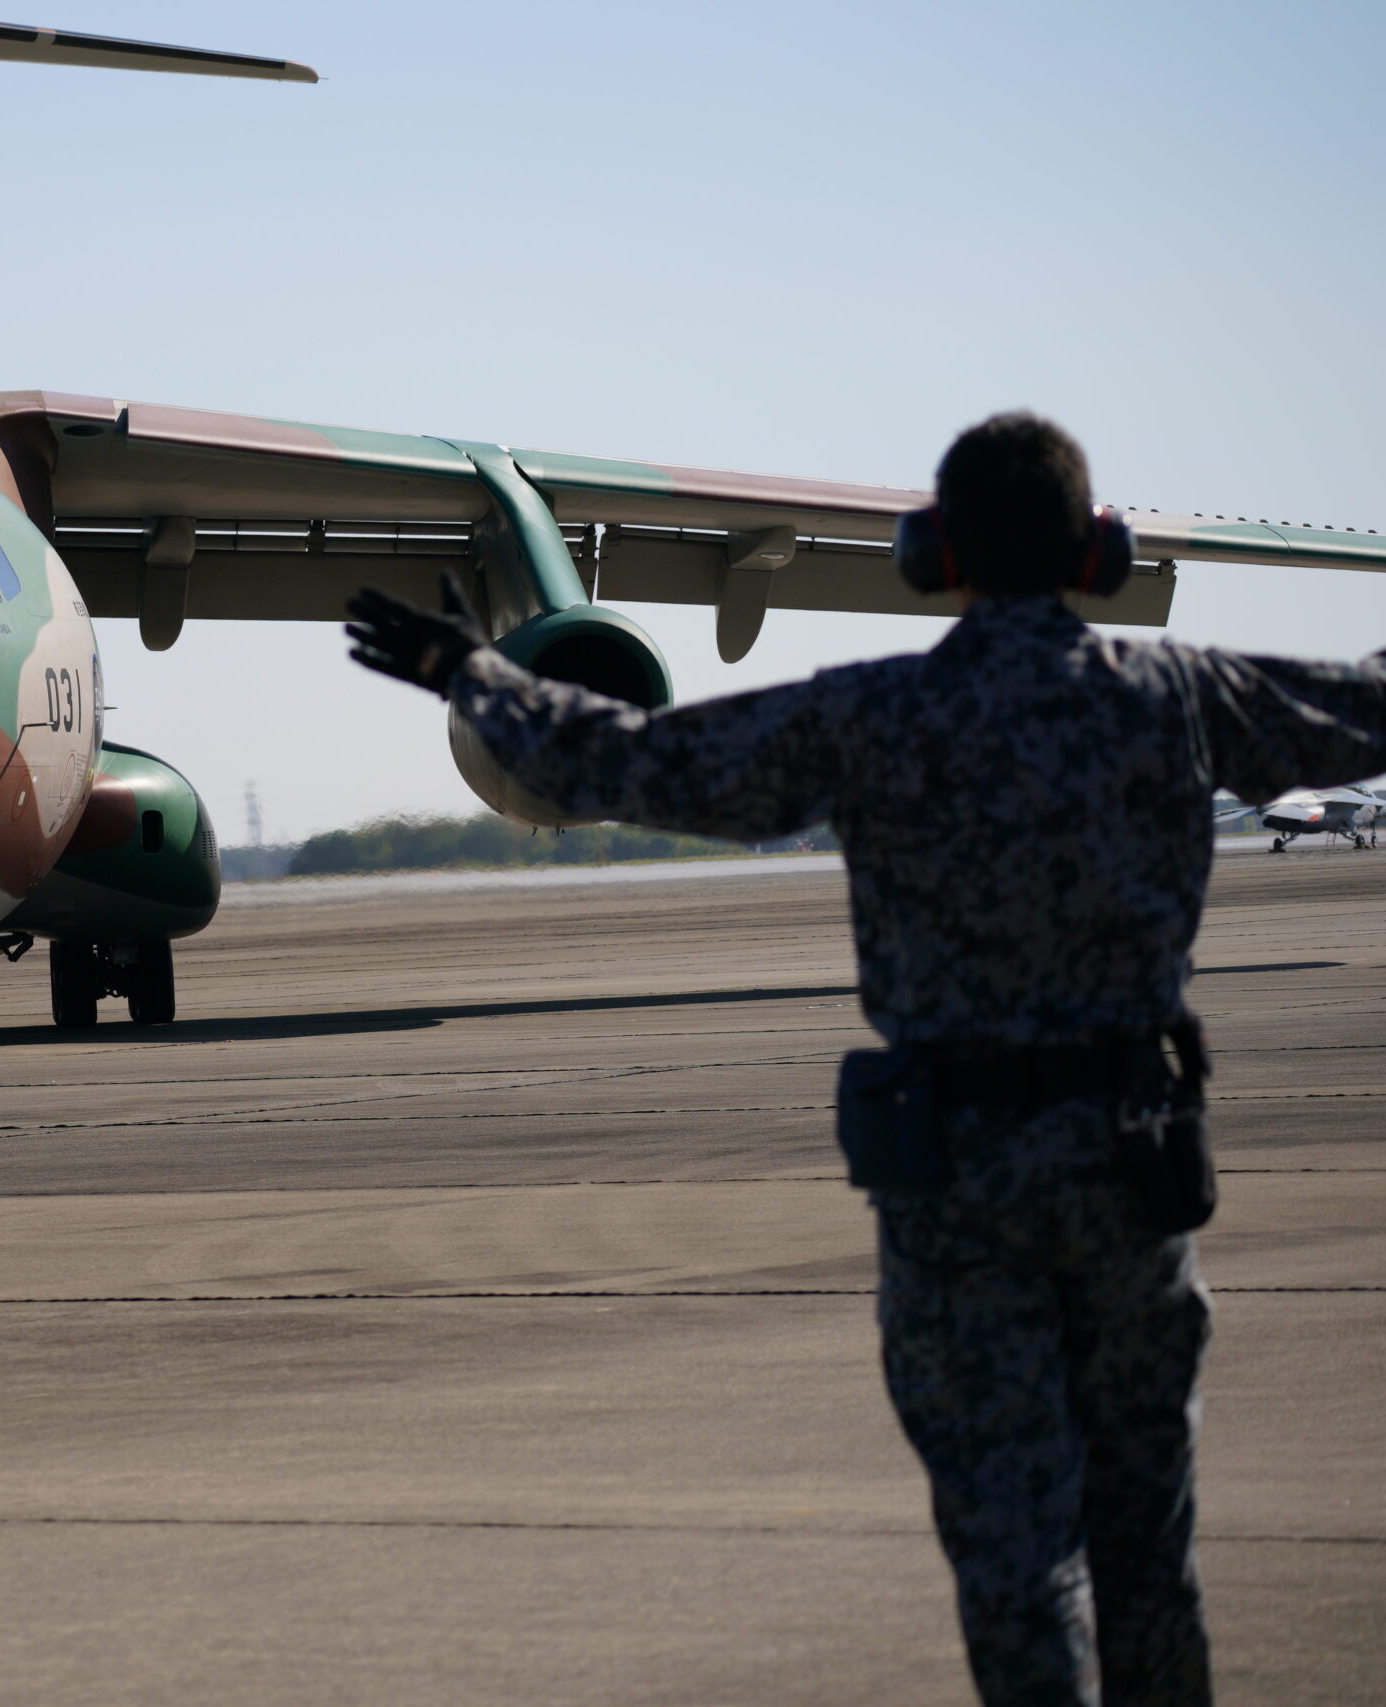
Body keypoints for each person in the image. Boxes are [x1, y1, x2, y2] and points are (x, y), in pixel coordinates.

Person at [345, 413, 1386, 1706]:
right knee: (1147, 1548)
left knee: (1017, 1558)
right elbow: (1369, 705)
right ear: (1097, 549)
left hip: (959, 1188)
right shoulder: (1180, 696)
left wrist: (475, 673)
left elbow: (629, 762)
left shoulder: (878, 716)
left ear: (932, 555)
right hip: (1136, 1171)